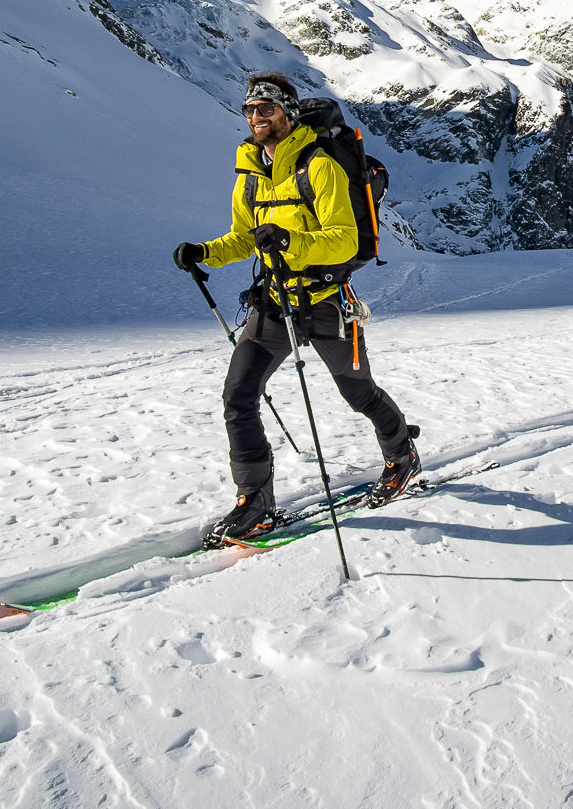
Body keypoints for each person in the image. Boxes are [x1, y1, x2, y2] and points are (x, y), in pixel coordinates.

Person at [172, 72, 419, 545]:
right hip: (272, 301)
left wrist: (291, 240)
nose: (255, 118)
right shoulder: (250, 173)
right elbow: (245, 236)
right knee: (239, 395)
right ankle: (256, 502)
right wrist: (205, 252)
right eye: (249, 110)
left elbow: (344, 237)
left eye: (265, 109)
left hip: (326, 302)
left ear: (287, 113)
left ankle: (402, 455)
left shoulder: (319, 165)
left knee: (359, 394)